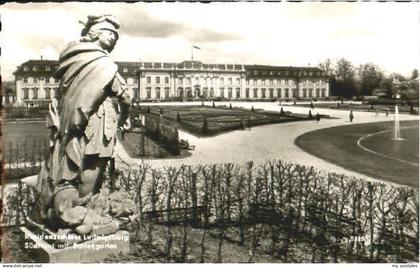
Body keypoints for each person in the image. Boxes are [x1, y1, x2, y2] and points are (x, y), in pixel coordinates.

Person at [32, 15, 132, 229]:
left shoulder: (72, 60)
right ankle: (82, 217)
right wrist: (125, 117)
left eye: (115, 36)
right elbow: (126, 97)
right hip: (97, 122)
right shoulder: (103, 64)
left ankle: (62, 211)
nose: (114, 39)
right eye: (110, 34)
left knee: (71, 167)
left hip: (73, 122)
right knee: (92, 168)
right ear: (96, 34)